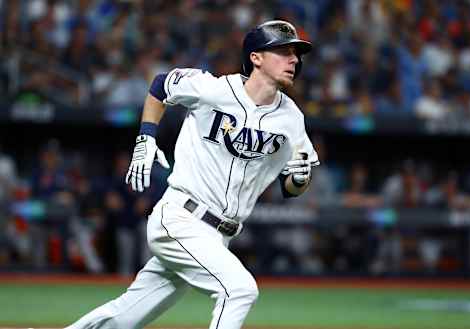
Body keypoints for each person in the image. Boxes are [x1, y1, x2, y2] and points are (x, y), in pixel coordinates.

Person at [67, 20, 319, 329]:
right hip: (180, 218)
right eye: (283, 51)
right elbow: (162, 85)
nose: (294, 59)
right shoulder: (214, 89)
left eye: (297, 54)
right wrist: (146, 137)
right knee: (240, 290)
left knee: (124, 317)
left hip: (218, 236)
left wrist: (299, 178)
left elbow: (291, 188)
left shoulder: (292, 119)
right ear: (256, 57)